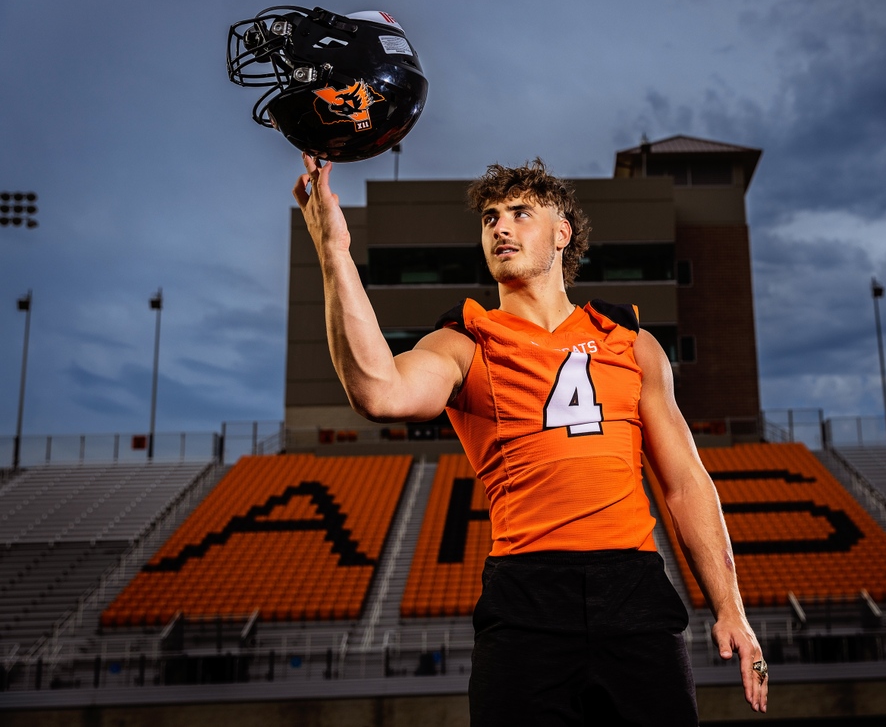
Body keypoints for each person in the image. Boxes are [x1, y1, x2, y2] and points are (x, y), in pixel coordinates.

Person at [293, 153, 768, 724]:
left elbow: (686, 483)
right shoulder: (466, 342)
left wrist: (730, 608)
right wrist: (334, 252)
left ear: (562, 233)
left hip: (634, 592)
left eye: (521, 213)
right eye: (490, 217)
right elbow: (378, 392)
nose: (501, 226)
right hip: (526, 599)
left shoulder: (629, 341)